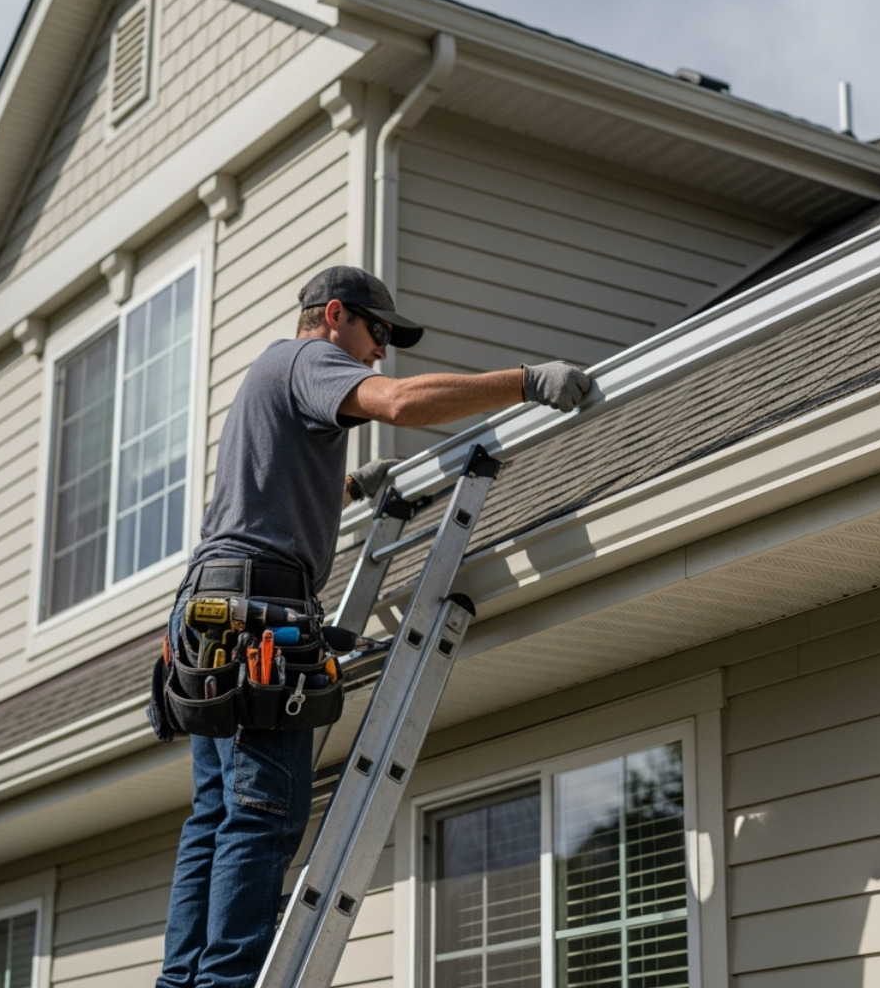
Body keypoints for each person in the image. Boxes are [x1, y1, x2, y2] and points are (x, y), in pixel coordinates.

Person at [154, 266, 589, 988]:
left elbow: (265, 487)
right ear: (334, 316)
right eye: (377, 332)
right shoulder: (308, 359)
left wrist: (352, 486)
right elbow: (402, 402)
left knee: (216, 814)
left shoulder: (272, 375)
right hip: (258, 601)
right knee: (262, 812)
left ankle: (183, 982)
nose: (380, 351)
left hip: (209, 607)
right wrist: (525, 381)